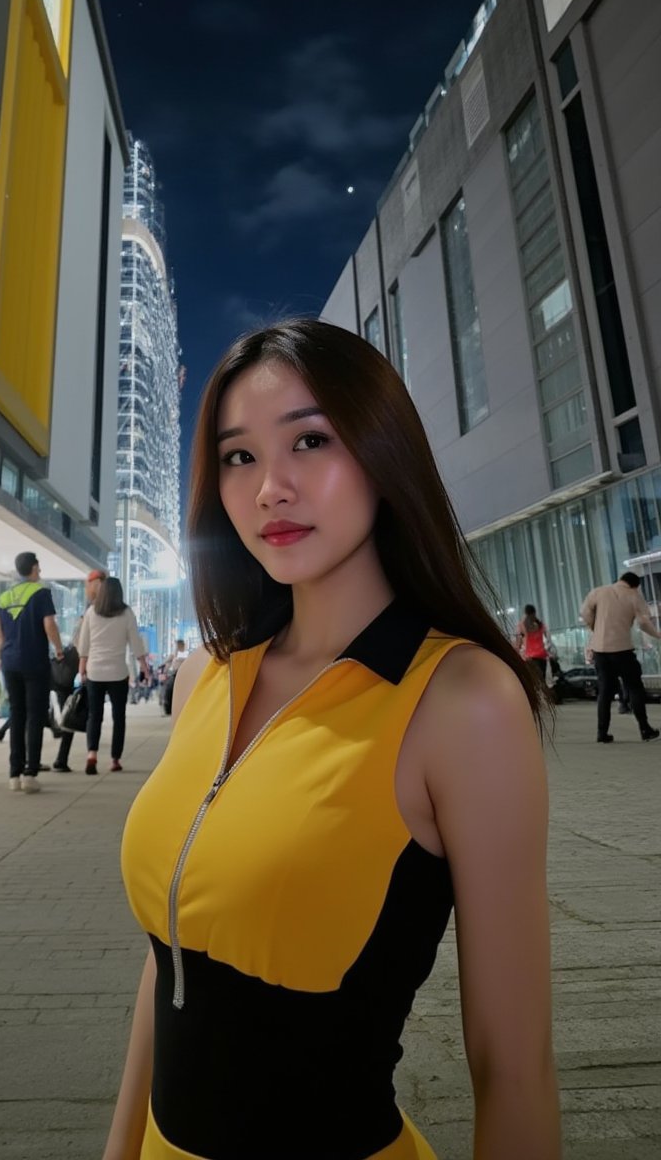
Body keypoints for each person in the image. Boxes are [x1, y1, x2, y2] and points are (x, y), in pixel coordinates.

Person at [108, 319, 560, 1160]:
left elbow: (516, 1068)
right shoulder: (206, 675)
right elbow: (170, 963)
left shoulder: (462, 703)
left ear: (384, 455)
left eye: (310, 440)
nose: (270, 487)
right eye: (238, 456)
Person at [0, 552, 64, 793]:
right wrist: (58, 649)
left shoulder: (4, 597)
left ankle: (13, 774)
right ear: (34, 569)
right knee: (35, 716)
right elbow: (49, 625)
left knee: (17, 715)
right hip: (34, 662)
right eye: (39, 568)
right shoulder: (41, 592)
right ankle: (30, 773)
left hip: (10, 662)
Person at [580, 572, 661, 744]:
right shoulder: (633, 595)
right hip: (622, 649)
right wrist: (658, 635)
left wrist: (595, 626)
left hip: (601, 651)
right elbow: (643, 622)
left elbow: (584, 612)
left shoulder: (599, 592)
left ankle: (602, 733)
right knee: (634, 688)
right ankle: (645, 729)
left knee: (604, 692)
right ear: (635, 585)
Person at [78, 577, 148, 774]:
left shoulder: (92, 612)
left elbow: (84, 643)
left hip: (95, 671)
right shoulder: (126, 613)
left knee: (94, 715)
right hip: (118, 672)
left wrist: (81, 668)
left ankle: (92, 754)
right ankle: (115, 759)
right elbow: (136, 643)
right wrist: (144, 666)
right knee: (119, 717)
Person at [51, 569, 106, 772]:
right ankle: (63, 756)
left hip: (80, 664)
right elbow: (80, 641)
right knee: (76, 708)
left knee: (75, 708)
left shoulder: (94, 608)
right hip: (80, 666)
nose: (89, 587)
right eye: (92, 583)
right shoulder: (92, 610)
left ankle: (62, 757)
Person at [515, 604, 551, 682]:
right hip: (541, 656)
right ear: (534, 612)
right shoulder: (540, 624)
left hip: (529, 657)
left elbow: (519, 642)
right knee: (542, 680)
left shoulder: (522, 625)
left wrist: (517, 651)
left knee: (532, 681)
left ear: (525, 613)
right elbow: (547, 639)